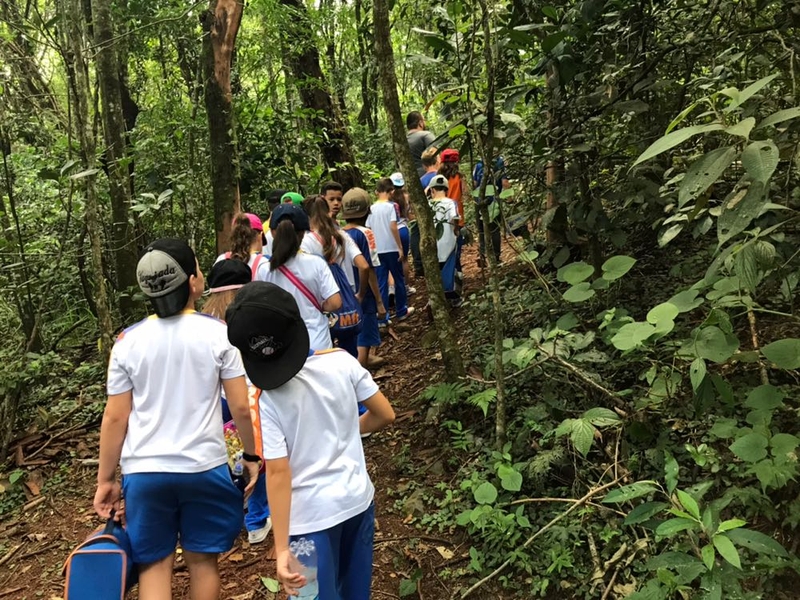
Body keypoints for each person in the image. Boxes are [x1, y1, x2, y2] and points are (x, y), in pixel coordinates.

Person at [94, 239, 260, 600]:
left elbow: (115, 418)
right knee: (203, 562)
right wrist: (251, 455)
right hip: (204, 467)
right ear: (194, 282)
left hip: (145, 472)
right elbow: (242, 407)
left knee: (154, 564)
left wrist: (106, 479)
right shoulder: (219, 334)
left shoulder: (126, 343)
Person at [225, 281, 396, 599]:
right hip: (357, 502)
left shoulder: (266, 397)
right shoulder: (341, 362)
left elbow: (278, 472)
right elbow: (385, 414)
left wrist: (280, 549)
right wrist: (343, 427)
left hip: (308, 522)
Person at [202, 259, 272, 544]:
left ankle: (232, 514)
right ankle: (256, 520)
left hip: (217, 400)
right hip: (250, 395)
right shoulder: (252, 316)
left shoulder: (203, 324)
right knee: (257, 454)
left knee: (229, 454)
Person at [254, 204, 342, 351]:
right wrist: (319, 306)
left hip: (283, 345)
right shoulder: (316, 263)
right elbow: (335, 302)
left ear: (273, 233)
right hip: (317, 342)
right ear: (303, 234)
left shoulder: (264, 269)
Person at [301, 196, 371, 358]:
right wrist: (360, 294)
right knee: (349, 350)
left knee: (327, 352)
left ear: (307, 216)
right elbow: (364, 266)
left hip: (324, 304)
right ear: (328, 212)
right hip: (348, 300)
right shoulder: (342, 235)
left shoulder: (306, 242)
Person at [341, 188, 388, 368]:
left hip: (345, 293)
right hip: (363, 292)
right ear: (367, 210)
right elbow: (369, 269)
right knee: (364, 334)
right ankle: (360, 375)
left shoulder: (337, 233)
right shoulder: (365, 233)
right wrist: (379, 301)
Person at [367, 178, 414, 325]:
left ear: (376, 192)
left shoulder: (371, 208)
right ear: (392, 191)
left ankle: (383, 317)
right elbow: (394, 226)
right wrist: (400, 247)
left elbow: (369, 229)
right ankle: (401, 310)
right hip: (392, 248)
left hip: (378, 250)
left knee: (381, 282)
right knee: (398, 279)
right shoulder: (393, 206)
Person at [428, 175, 462, 306]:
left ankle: (436, 300)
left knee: (435, 271)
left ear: (432, 190)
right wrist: (456, 230)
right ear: (446, 190)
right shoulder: (450, 203)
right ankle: (455, 297)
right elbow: (455, 218)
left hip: (433, 245)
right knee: (453, 269)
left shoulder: (428, 204)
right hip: (448, 243)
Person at [472, 157, 509, 266]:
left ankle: (482, 254)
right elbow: (505, 182)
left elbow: (474, 183)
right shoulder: (499, 162)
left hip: (480, 200)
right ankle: (496, 258)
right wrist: (510, 199)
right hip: (494, 201)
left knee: (482, 230)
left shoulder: (479, 163)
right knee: (494, 230)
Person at [438, 149, 467, 275]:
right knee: (456, 249)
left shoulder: (438, 177)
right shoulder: (459, 177)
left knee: (444, 249)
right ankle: (456, 275)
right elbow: (465, 193)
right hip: (457, 217)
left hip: (441, 218)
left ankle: (446, 276)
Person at [406, 111, 436, 177]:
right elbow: (436, 156)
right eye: (424, 120)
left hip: (408, 178)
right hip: (427, 178)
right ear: (420, 123)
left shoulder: (402, 142)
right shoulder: (426, 135)